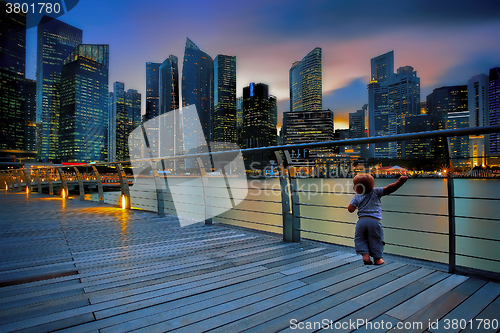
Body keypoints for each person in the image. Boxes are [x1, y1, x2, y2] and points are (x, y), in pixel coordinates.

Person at [347, 173, 408, 265]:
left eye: (354, 185)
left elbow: (350, 209)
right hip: (374, 221)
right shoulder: (376, 191)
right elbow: (388, 189)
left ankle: (365, 256)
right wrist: (399, 182)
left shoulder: (357, 197)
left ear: (358, 189)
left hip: (361, 222)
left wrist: (355, 207)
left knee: (360, 238)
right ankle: (377, 259)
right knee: (376, 239)